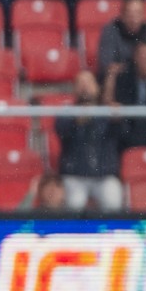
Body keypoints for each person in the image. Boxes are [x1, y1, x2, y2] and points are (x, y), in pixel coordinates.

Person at [55, 71, 124, 212]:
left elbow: (123, 134)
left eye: (89, 83)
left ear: (97, 88)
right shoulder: (66, 113)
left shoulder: (107, 112)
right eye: (80, 83)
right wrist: (76, 121)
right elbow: (61, 131)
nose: (85, 87)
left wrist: (118, 119)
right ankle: (74, 234)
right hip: (75, 175)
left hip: (104, 176)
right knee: (75, 203)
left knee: (112, 199)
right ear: (74, 89)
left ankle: (109, 233)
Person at [96, 0, 146, 81]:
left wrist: (124, 67)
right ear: (122, 15)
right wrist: (141, 66)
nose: (133, 18)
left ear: (144, 15)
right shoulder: (110, 31)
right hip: (118, 81)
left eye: (138, 13)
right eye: (129, 13)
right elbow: (106, 65)